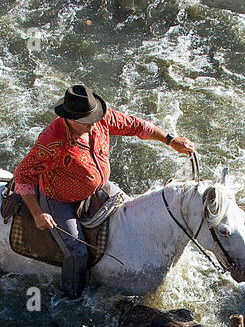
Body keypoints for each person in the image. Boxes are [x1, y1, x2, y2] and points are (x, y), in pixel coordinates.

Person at [13, 84, 196, 297]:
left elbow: (137, 126)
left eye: (94, 120)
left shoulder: (100, 118)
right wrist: (37, 213)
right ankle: (72, 298)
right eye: (86, 123)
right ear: (70, 119)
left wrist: (170, 140)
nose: (93, 126)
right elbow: (23, 176)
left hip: (99, 188)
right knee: (77, 252)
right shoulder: (51, 142)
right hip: (60, 199)